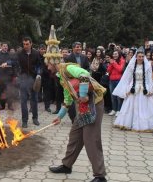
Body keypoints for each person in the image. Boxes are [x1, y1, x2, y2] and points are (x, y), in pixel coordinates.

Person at [45, 48, 107, 182]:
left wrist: (83, 95)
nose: (47, 67)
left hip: (93, 103)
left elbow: (85, 74)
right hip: (83, 106)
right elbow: (67, 101)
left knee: (91, 139)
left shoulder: (68, 68)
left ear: (53, 62)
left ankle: (100, 176)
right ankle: (67, 165)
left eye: (48, 64)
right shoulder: (61, 77)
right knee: (75, 135)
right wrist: (59, 117)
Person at [112, 50, 153, 132]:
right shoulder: (131, 66)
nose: (141, 58)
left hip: (143, 88)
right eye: (139, 56)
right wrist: (127, 88)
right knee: (130, 105)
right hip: (133, 88)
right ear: (136, 57)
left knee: (143, 107)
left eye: (142, 56)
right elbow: (127, 78)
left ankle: (143, 125)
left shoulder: (147, 66)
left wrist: (150, 90)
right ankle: (128, 123)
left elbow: (149, 79)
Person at [0, 42, 15, 110]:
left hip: (8, 76)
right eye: (4, 46)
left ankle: (10, 105)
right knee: (1, 91)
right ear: (1, 47)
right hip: (0, 76)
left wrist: (14, 75)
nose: (5, 47)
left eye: (6, 46)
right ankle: (2, 106)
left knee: (9, 91)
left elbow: (13, 62)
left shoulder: (10, 54)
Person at [107, 50, 125, 116]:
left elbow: (120, 69)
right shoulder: (112, 61)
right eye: (113, 54)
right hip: (112, 80)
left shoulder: (122, 60)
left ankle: (119, 110)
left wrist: (114, 63)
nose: (114, 55)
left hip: (119, 81)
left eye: (116, 54)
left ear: (119, 54)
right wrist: (111, 64)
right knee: (113, 96)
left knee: (119, 96)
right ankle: (114, 110)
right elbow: (108, 70)